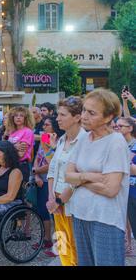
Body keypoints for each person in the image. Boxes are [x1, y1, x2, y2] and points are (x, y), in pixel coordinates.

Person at [65, 88, 130, 266]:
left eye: (91, 113)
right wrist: (90, 176)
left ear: (108, 117)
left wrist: (80, 181)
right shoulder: (84, 138)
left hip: (105, 218)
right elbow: (67, 175)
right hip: (80, 213)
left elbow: (110, 189)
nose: (84, 116)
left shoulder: (116, 142)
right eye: (84, 110)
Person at [46, 96, 85, 266]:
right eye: (58, 114)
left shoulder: (85, 141)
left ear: (77, 117)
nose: (57, 118)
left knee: (75, 246)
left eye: (62, 115)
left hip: (73, 201)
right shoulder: (62, 140)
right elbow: (52, 169)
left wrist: (60, 200)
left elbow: (79, 177)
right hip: (56, 199)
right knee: (61, 244)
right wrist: (51, 197)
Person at [33, 116, 63, 257]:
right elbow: (37, 158)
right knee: (43, 212)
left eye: (47, 125)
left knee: (56, 215)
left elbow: (52, 163)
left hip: (53, 182)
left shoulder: (58, 142)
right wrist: (36, 174)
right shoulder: (44, 139)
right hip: (41, 179)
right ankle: (47, 240)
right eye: (43, 125)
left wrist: (37, 172)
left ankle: (60, 247)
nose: (43, 127)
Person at [114, 117, 136, 256]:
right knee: (127, 219)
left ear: (130, 128)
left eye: (121, 126)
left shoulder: (134, 144)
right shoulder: (119, 143)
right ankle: (128, 245)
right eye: (116, 125)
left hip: (133, 189)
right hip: (125, 188)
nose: (117, 128)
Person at [6, 107, 35, 185]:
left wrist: (8, 149)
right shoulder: (12, 132)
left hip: (21, 165)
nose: (18, 117)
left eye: (21, 115)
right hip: (11, 165)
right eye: (16, 115)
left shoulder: (27, 132)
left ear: (26, 118)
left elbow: (20, 154)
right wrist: (14, 147)